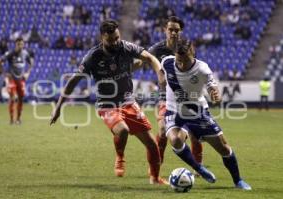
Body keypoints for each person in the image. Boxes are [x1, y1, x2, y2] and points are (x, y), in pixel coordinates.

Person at [50, 20, 167, 185]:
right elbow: (73, 81)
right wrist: (58, 106)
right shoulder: (93, 56)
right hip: (107, 104)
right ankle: (120, 156)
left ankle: (155, 179)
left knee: (152, 143)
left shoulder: (125, 47)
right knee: (123, 130)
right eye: (111, 40)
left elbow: (149, 57)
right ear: (101, 38)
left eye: (117, 38)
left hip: (127, 100)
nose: (115, 42)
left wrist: (160, 73)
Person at [161, 39, 251, 190]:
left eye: (186, 60)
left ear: (193, 53)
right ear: (175, 56)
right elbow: (159, 69)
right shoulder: (167, 63)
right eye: (179, 60)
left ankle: (238, 181)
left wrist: (215, 94)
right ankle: (199, 168)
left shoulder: (202, 68)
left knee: (223, 148)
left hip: (197, 112)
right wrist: (161, 81)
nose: (182, 64)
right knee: (175, 140)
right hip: (174, 111)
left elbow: (212, 85)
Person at [134, 16, 204, 167]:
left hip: (185, 96)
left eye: (176, 30)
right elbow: (141, 61)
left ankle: (198, 166)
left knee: (195, 134)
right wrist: (131, 67)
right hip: (165, 95)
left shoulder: (187, 48)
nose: (173, 33)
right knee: (162, 131)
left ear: (181, 31)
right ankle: (157, 166)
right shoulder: (157, 49)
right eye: (170, 29)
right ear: (165, 30)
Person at [0, 37, 34, 124]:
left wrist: (28, 73)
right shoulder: (10, 53)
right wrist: (4, 73)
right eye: (18, 44)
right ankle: (11, 119)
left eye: (22, 44)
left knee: (21, 99)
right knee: (13, 98)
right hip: (12, 79)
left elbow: (31, 63)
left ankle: (18, 119)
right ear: (15, 44)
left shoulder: (25, 53)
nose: (20, 46)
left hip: (21, 80)